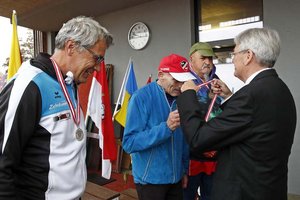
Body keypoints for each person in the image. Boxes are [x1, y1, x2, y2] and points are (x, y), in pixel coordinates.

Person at [0, 16, 113, 200]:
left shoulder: (70, 81)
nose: (99, 68)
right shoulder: (29, 84)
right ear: (71, 47)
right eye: (97, 58)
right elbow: (3, 161)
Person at [177, 27, 297, 200]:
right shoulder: (279, 89)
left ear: (248, 56)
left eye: (234, 54)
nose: (232, 60)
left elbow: (198, 138)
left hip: (244, 191)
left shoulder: (250, 96)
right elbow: (250, 124)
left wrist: (188, 95)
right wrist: (228, 96)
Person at [122, 54, 194, 200]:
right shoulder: (140, 97)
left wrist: (184, 170)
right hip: (150, 180)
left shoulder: (182, 98)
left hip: (176, 178)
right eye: (176, 79)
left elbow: (184, 140)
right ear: (161, 75)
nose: (180, 85)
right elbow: (129, 143)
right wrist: (166, 128)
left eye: (184, 80)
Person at [184, 42, 222, 200]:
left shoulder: (217, 80)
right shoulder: (184, 81)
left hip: (213, 152)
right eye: (203, 58)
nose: (208, 61)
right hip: (190, 154)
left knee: (211, 195)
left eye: (210, 58)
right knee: (187, 195)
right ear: (191, 59)